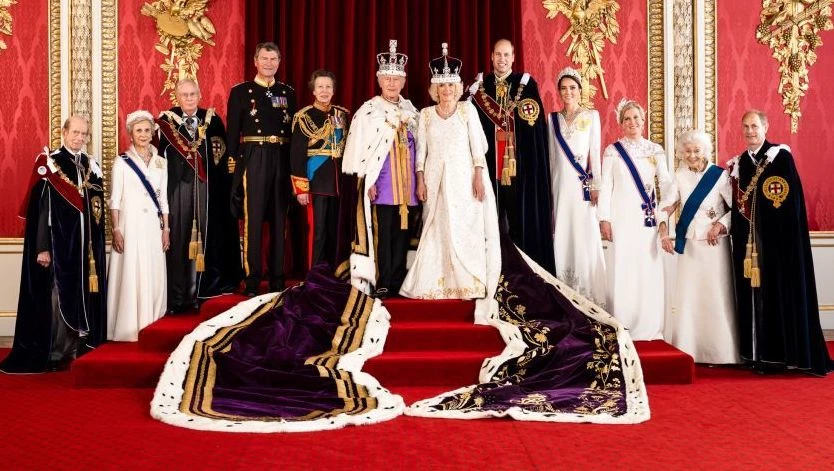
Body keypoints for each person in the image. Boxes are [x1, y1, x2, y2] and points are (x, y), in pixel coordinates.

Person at [0, 116, 107, 373]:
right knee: (59, 299)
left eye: (84, 134)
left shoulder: (89, 165)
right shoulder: (50, 163)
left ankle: (77, 348)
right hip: (59, 248)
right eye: (75, 132)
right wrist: (42, 247)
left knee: (81, 295)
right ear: (64, 132)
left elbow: (96, 210)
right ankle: (56, 352)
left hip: (85, 250)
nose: (80, 138)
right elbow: (42, 210)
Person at [728, 110, 831, 375]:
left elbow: (787, 201)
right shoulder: (740, 162)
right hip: (749, 245)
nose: (750, 131)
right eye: (745, 126)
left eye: (754, 126)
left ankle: (780, 357)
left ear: (765, 127)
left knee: (777, 295)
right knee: (751, 296)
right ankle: (755, 355)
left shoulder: (780, 157)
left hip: (778, 244)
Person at [400, 43, 500, 311]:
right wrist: (420, 179)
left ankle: (467, 282)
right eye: (441, 85)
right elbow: (421, 152)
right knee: (437, 229)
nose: (446, 90)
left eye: (450, 85)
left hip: (464, 180)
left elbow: (478, 148)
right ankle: (435, 284)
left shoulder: (467, 110)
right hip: (435, 181)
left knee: (464, 228)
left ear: (457, 87)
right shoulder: (426, 115)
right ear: (435, 88)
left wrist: (478, 176)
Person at [469, 39, 555, 274]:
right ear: (491, 56)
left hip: (518, 167)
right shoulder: (480, 88)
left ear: (513, 57)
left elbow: (534, 126)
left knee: (518, 221)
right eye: (498, 54)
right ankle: (491, 272)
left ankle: (520, 272)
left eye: (506, 55)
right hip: (488, 167)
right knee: (490, 221)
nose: (502, 59)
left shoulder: (525, 85)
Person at [342, 39, 419, 297]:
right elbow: (361, 151)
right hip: (383, 184)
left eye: (396, 79)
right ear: (379, 80)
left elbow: (421, 148)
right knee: (383, 234)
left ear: (403, 82)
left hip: (408, 186)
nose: (392, 84)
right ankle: (383, 280)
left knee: (403, 234)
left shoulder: (411, 110)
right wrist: (368, 180)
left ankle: (398, 280)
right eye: (387, 79)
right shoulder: (369, 111)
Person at [157, 78, 241, 313]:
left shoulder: (212, 120)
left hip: (207, 191)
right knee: (180, 240)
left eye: (193, 94)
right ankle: (178, 296)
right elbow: (159, 160)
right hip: (178, 191)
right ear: (177, 97)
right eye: (184, 95)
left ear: (200, 95)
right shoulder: (167, 121)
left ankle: (203, 291)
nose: (189, 99)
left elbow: (221, 158)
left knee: (207, 238)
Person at [659, 130, 739, 364]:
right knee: (691, 297)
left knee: (716, 295)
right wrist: (663, 232)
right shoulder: (679, 175)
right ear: (681, 153)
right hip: (691, 244)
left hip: (715, 245)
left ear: (705, 151)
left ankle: (722, 353)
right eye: (687, 151)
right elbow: (666, 206)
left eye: (696, 150)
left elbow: (736, 208)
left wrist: (721, 225)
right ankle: (690, 350)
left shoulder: (720, 176)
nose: (692, 155)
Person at [597, 99, 672, 341]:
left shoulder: (655, 150)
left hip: (646, 220)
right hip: (621, 218)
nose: (632, 122)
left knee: (647, 268)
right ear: (621, 123)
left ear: (643, 120)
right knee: (623, 267)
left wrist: (665, 212)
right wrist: (604, 219)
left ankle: (649, 324)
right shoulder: (612, 151)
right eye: (627, 119)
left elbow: (666, 184)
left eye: (636, 118)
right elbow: (606, 186)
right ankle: (624, 322)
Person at [227, 42, 297, 296]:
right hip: (253, 156)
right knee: (253, 219)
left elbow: (293, 132)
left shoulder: (287, 92)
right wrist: (233, 164)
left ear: (279, 62)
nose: (269, 63)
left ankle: (278, 278)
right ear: (255, 61)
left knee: (279, 219)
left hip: (281, 156)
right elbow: (233, 131)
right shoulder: (241, 92)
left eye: (273, 59)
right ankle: (252, 279)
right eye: (264, 59)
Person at [107, 110, 170, 341]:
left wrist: (166, 229)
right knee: (132, 271)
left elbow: (163, 199)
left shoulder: (161, 162)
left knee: (153, 271)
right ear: (131, 134)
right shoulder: (122, 162)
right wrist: (116, 229)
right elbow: (115, 199)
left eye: (146, 130)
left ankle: (152, 324)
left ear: (153, 133)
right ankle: (128, 327)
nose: (143, 135)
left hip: (153, 226)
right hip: (130, 225)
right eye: (138, 131)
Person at [546, 67, 607, 304]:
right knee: (563, 232)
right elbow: (552, 158)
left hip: (583, 188)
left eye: (572, 88)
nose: (568, 92)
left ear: (580, 90)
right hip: (561, 187)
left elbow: (595, 154)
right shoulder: (552, 119)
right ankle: (564, 289)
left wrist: (597, 185)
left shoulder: (591, 116)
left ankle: (588, 293)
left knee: (583, 235)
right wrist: (550, 190)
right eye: (563, 88)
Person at [290, 70, 350, 268]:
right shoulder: (303, 116)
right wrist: (301, 188)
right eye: (320, 87)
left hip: (338, 182)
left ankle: (333, 272)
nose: (324, 91)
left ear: (333, 90)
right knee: (318, 232)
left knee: (335, 231)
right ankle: (315, 274)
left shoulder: (342, 114)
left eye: (328, 87)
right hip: (316, 181)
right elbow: (297, 154)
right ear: (313, 91)